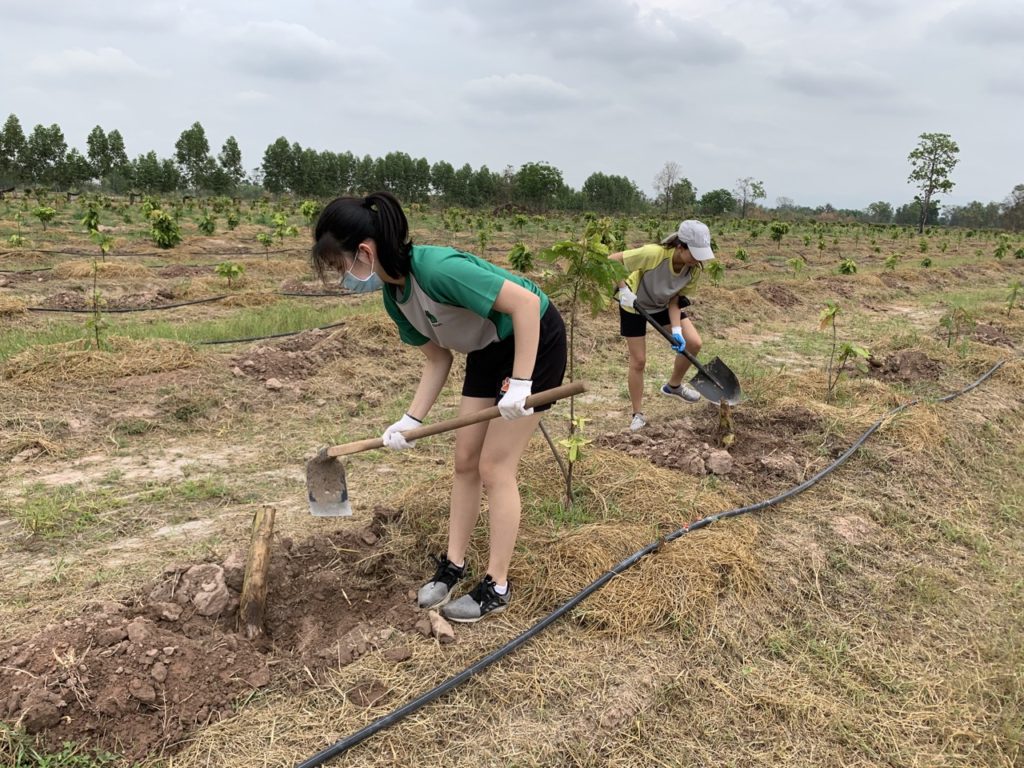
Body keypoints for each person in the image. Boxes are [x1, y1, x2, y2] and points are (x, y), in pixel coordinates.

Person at [311, 192, 567, 623]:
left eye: (341, 266)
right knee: (465, 460)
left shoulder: (438, 269)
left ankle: (496, 587)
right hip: (487, 348)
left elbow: (524, 306)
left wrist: (521, 383)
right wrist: (410, 419)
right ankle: (453, 566)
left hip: (533, 339)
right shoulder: (395, 296)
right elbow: (438, 357)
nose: (343, 279)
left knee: (495, 467)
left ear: (365, 252)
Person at [610, 219, 716, 431]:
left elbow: (675, 300)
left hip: (661, 305)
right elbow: (612, 260)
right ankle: (637, 414)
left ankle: (673, 386)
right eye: (694, 253)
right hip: (634, 304)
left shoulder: (693, 270)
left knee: (693, 343)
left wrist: (676, 331)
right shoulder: (653, 254)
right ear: (680, 246)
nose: (698, 259)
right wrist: (623, 290)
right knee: (638, 361)